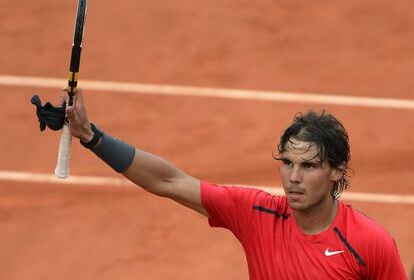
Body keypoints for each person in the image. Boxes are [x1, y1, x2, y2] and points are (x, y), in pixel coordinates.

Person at [34, 89, 408, 279]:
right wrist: (90, 135)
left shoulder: (367, 243)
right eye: (288, 163)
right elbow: (168, 180)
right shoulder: (256, 214)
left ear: (337, 171)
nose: (294, 178)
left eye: (309, 166)